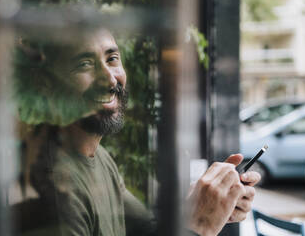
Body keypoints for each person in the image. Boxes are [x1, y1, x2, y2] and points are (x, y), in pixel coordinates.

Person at [15, 27, 260, 236]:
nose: (110, 80)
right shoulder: (55, 190)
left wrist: (208, 204)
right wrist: (199, 225)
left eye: (112, 59)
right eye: (85, 64)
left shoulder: (98, 157)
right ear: (48, 86)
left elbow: (147, 229)